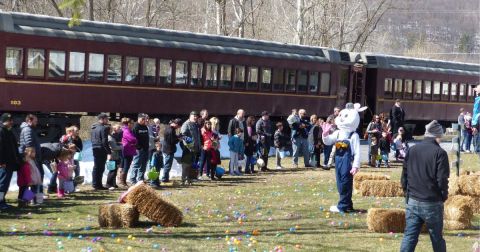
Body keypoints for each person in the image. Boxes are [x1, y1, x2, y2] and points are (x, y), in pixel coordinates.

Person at [400, 120, 449, 252]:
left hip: (413, 199)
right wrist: (443, 195)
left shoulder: (412, 150)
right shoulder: (440, 153)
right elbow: (442, 179)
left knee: (409, 236)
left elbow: (404, 175)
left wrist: (407, 192)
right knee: (437, 238)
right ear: (437, 136)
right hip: (431, 201)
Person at [0, 113, 21, 210]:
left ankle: (2, 201)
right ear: (4, 121)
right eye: (10, 120)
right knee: (2, 184)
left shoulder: (8, 131)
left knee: (5, 184)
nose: (12, 122)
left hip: (9, 163)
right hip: (4, 163)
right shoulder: (1, 131)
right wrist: (1, 162)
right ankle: (0, 202)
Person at [18, 114, 42, 194]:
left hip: (30, 156)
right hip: (30, 157)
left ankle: (32, 197)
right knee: (31, 178)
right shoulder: (27, 130)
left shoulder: (28, 129)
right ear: (29, 121)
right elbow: (29, 144)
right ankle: (32, 197)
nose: (36, 123)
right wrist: (32, 155)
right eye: (35, 121)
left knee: (31, 179)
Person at [91, 113, 111, 190]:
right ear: (102, 119)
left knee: (96, 167)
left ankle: (95, 184)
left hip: (95, 148)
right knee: (100, 167)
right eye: (106, 119)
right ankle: (98, 185)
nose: (107, 120)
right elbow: (104, 141)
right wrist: (109, 152)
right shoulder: (104, 128)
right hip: (101, 149)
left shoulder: (93, 128)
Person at [180, 111, 202, 184]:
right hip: (188, 148)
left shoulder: (195, 125)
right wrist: (189, 146)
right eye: (194, 116)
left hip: (195, 148)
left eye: (196, 116)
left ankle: (189, 178)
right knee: (186, 164)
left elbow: (197, 136)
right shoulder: (186, 124)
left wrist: (199, 146)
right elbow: (183, 136)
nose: (195, 117)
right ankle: (184, 179)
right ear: (190, 116)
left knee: (191, 164)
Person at [130, 113, 150, 184]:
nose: (144, 120)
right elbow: (133, 139)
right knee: (136, 164)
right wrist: (138, 147)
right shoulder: (135, 127)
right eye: (143, 119)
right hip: (138, 149)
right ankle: (132, 179)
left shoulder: (145, 127)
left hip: (146, 149)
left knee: (144, 164)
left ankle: (140, 178)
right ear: (139, 118)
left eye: (145, 119)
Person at [162, 118, 181, 183]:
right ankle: (164, 178)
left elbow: (172, 138)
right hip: (169, 150)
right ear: (176, 124)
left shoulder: (169, 128)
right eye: (178, 126)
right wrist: (179, 139)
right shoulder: (171, 130)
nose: (178, 128)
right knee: (167, 165)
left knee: (167, 165)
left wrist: (177, 136)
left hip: (166, 149)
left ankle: (165, 177)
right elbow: (172, 141)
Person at [120, 118, 137, 188]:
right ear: (128, 124)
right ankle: (122, 182)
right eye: (132, 123)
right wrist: (135, 140)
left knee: (126, 166)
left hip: (129, 149)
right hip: (127, 150)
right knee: (126, 166)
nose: (133, 125)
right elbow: (132, 139)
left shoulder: (128, 130)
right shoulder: (126, 130)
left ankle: (123, 181)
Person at [106, 125, 122, 189]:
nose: (112, 130)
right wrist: (122, 147)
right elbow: (114, 147)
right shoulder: (109, 137)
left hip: (115, 155)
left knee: (115, 170)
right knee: (112, 170)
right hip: (112, 156)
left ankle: (113, 183)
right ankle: (109, 184)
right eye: (111, 129)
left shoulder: (111, 136)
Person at [197, 109, 209, 178]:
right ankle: (200, 173)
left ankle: (206, 171)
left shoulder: (206, 121)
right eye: (205, 113)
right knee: (202, 158)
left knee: (206, 158)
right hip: (202, 141)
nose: (207, 114)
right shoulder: (200, 121)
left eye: (207, 113)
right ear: (202, 114)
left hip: (206, 141)